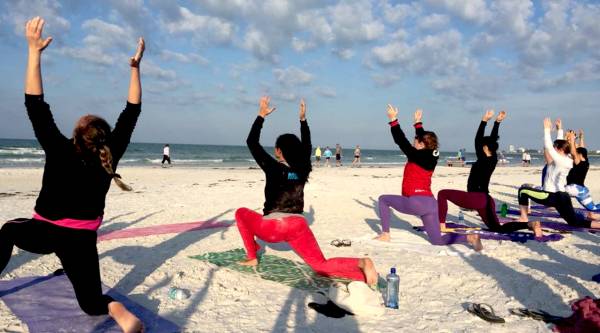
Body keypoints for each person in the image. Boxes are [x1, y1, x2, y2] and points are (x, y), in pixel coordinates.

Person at [0, 17, 144, 332]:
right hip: (80, 240)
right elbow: (132, 111)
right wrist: (135, 68)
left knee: (8, 230)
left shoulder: (58, 148)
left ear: (77, 136)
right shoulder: (110, 154)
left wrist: (33, 52)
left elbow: (34, 105)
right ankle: (119, 311)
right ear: (103, 140)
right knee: (92, 303)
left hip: (43, 233)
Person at [234, 97, 378, 285]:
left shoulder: (274, 168)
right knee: (320, 265)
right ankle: (362, 266)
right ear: (298, 151)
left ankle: (252, 255)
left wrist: (261, 115)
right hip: (298, 226)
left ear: (278, 151)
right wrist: (303, 120)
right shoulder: (303, 170)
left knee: (241, 213)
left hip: (274, 229)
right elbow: (307, 145)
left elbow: (252, 142)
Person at [375, 104, 482, 251]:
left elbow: (401, 140)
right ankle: (470, 237)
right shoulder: (432, 154)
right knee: (437, 241)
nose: (413, 142)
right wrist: (418, 123)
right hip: (431, 205)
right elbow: (425, 139)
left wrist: (393, 120)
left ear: (420, 144)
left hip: (415, 202)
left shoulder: (415, 155)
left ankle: (385, 234)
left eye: (415, 140)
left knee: (383, 199)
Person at [437, 110, 542, 237]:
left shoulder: (482, 159)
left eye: (482, 145)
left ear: (485, 148)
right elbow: (489, 140)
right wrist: (497, 122)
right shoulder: (493, 159)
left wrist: (484, 121)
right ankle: (530, 225)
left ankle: (441, 225)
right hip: (486, 200)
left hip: (474, 199)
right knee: (497, 228)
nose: (479, 146)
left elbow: (478, 139)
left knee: (442, 194)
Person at [517, 119, 600, 229]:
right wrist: (559, 130)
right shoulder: (568, 159)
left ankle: (524, 217)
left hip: (550, 195)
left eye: (556, 148)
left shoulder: (558, 159)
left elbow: (549, 146)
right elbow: (560, 145)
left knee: (523, 190)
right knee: (574, 222)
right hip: (563, 196)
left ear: (560, 150)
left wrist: (546, 129)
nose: (554, 148)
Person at [565, 130, 600, 211]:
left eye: (577, 153)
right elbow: (582, 148)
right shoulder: (585, 160)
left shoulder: (579, 162)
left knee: (554, 191)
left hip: (573, 188)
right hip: (582, 190)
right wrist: (581, 138)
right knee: (593, 208)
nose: (574, 155)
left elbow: (574, 151)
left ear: (580, 155)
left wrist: (572, 138)